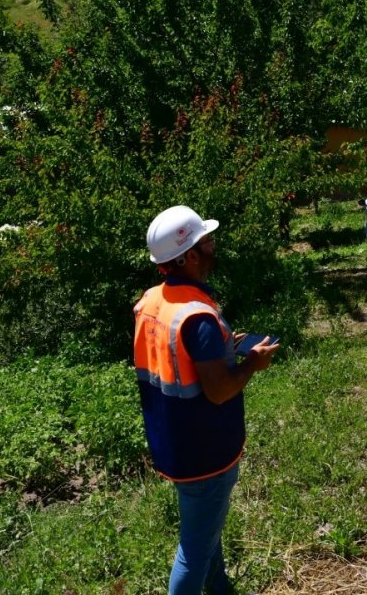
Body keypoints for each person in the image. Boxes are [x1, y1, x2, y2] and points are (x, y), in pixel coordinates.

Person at [134, 205, 278, 595]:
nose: (214, 244)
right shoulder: (196, 315)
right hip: (206, 453)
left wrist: (221, 348)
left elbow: (177, 358)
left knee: (204, 531)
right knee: (194, 551)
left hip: (175, 443)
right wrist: (252, 364)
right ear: (191, 255)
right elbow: (219, 390)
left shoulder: (152, 301)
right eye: (207, 240)